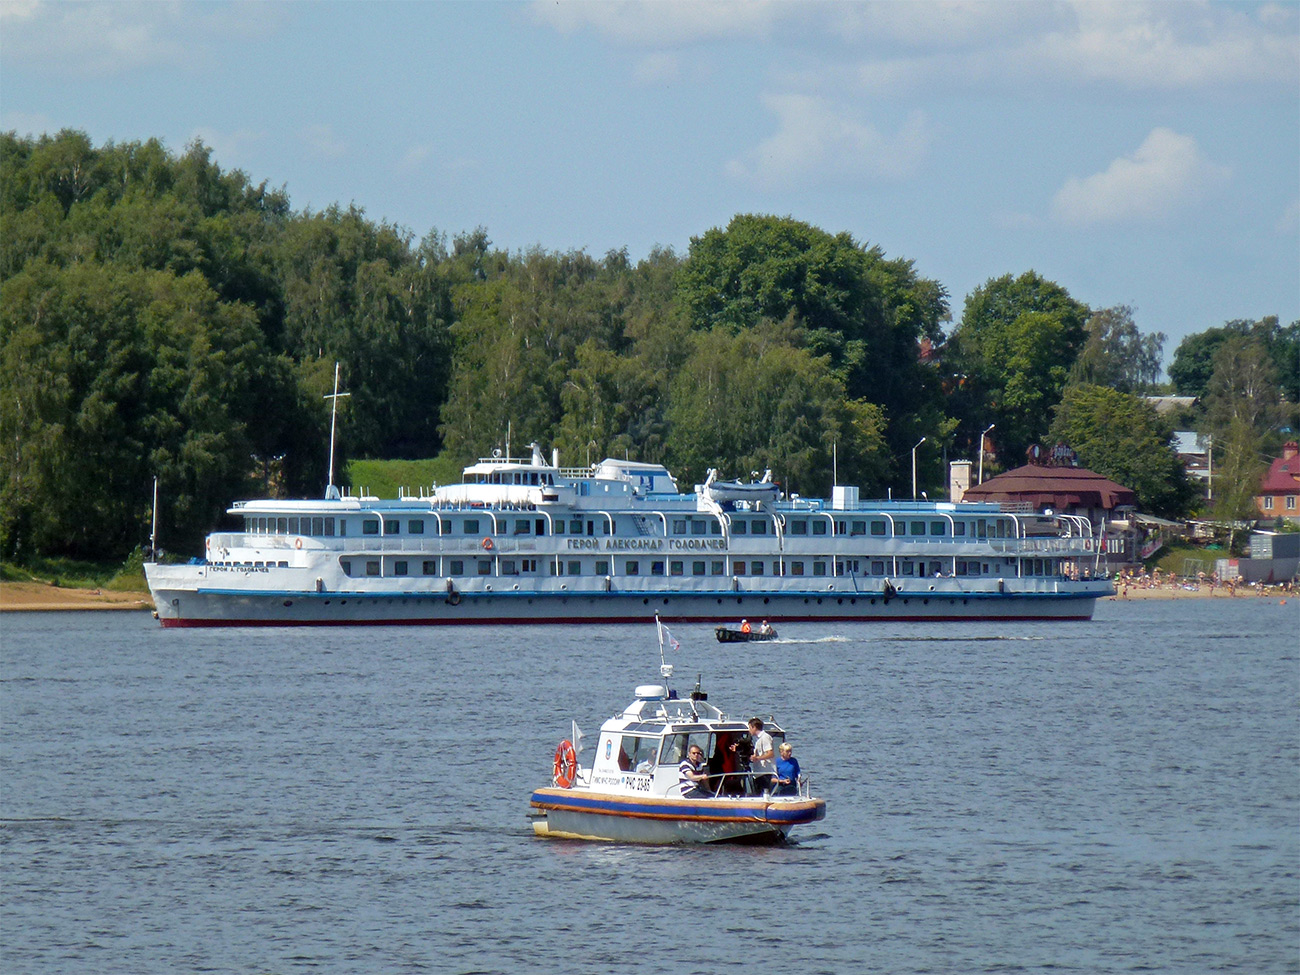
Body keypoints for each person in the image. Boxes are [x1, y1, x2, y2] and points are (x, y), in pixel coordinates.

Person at [747, 718, 775, 794]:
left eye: (750, 728)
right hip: (758, 772)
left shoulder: (765, 737)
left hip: (765, 772)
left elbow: (770, 753)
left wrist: (757, 758)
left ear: (754, 727)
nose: (749, 730)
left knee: (764, 793)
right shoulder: (757, 739)